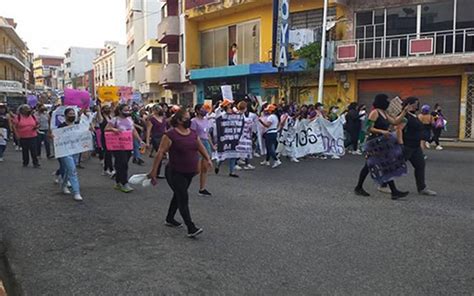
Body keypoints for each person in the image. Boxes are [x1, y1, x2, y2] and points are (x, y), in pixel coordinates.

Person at [148, 109, 212, 238]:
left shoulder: (193, 134)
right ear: (178, 121)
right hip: (175, 172)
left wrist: (208, 159)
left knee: (178, 195)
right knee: (183, 197)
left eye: (189, 118)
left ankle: (170, 218)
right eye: (186, 118)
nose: (189, 120)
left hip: (190, 172)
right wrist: (153, 172)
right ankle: (191, 227)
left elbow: (200, 147)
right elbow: (160, 153)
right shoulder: (170, 135)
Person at [354, 94, 409, 200]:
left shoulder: (384, 113)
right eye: (386, 100)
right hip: (374, 142)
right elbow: (368, 128)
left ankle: (360, 187)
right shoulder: (375, 113)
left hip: (382, 143)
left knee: (377, 165)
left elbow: (395, 121)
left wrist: (404, 112)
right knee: (378, 165)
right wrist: (382, 131)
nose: (388, 102)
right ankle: (393, 191)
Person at [396, 97, 437, 196]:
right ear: (409, 104)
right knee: (396, 166)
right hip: (407, 146)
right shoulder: (404, 115)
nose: (417, 105)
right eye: (415, 103)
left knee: (420, 165)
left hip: (415, 146)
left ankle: (422, 188)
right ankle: (383, 184)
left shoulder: (413, 115)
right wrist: (401, 144)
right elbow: (398, 129)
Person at [105, 104, 145, 193]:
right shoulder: (115, 120)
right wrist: (114, 130)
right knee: (123, 164)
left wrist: (140, 140)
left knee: (123, 163)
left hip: (127, 145)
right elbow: (106, 129)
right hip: (118, 146)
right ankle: (124, 183)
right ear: (120, 111)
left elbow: (133, 130)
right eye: (126, 110)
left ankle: (118, 182)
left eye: (129, 110)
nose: (128, 112)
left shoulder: (129, 119)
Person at [57, 108, 84, 201]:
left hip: (76, 150)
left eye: (73, 113)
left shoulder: (77, 125)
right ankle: (77, 192)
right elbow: (57, 138)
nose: (72, 115)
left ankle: (63, 185)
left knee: (69, 170)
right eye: (70, 113)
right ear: (65, 116)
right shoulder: (61, 126)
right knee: (72, 170)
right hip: (65, 151)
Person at [191, 104, 214, 196]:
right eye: (202, 109)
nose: (204, 110)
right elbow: (192, 134)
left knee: (205, 168)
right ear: (197, 110)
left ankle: (202, 188)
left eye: (204, 109)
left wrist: (212, 145)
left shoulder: (206, 120)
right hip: (197, 143)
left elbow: (207, 134)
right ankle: (184, 178)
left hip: (206, 143)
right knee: (197, 169)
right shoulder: (193, 121)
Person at [259, 104, 281, 168]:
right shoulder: (276, 117)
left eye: (268, 110)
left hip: (270, 133)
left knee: (270, 148)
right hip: (274, 132)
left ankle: (276, 160)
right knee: (270, 147)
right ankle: (267, 160)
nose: (267, 111)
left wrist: (261, 121)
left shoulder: (271, 117)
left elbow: (267, 125)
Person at [97, 104, 115, 176]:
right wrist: (98, 106)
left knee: (109, 153)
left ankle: (105, 169)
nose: (108, 109)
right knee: (108, 153)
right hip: (104, 137)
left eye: (109, 108)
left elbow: (114, 109)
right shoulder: (101, 118)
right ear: (103, 110)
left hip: (111, 137)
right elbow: (98, 112)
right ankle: (111, 169)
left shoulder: (111, 117)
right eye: (106, 108)